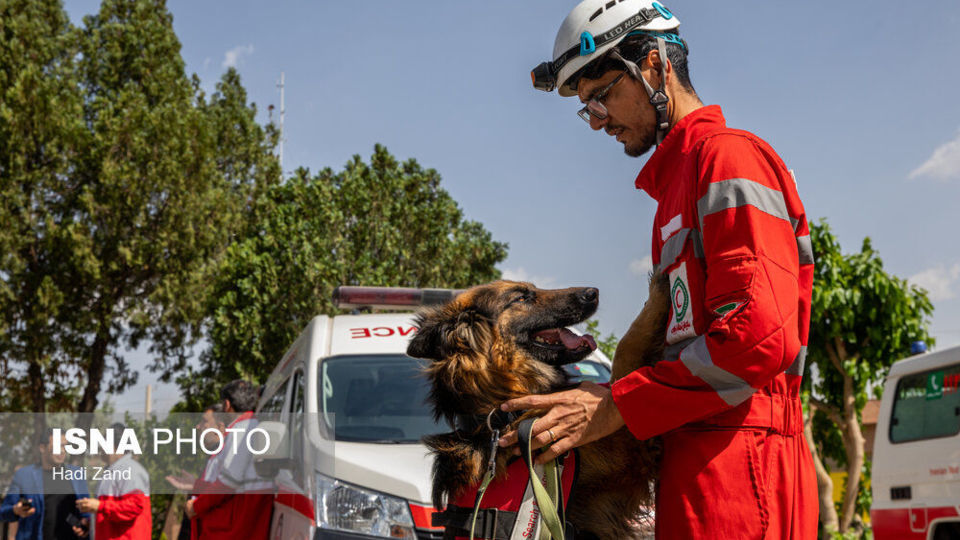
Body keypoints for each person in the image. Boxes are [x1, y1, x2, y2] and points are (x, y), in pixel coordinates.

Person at [501, 1, 818, 538]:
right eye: (587, 109)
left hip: (744, 466)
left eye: (601, 97)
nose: (597, 122)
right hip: (696, 459)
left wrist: (616, 405)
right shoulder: (674, 190)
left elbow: (760, 338)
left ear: (654, 66)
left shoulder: (728, 160)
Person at [185, 381, 272, 540]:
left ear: (227, 405)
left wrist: (195, 507)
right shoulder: (255, 425)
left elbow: (228, 481)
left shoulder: (243, 428)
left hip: (235, 526)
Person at [0, 430, 90, 540]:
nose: (62, 451)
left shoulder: (77, 474)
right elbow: (3, 512)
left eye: (65, 446)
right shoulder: (24, 476)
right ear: (42, 448)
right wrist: (15, 510)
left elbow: (86, 513)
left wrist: (85, 524)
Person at [74, 423, 151, 540]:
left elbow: (134, 507)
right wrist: (92, 523)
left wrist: (99, 506)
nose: (99, 447)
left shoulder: (131, 470)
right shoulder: (111, 472)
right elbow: (111, 510)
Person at [164, 403, 226, 540]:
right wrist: (194, 485)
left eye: (204, 421)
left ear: (220, 427)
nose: (198, 426)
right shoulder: (213, 457)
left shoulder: (225, 460)